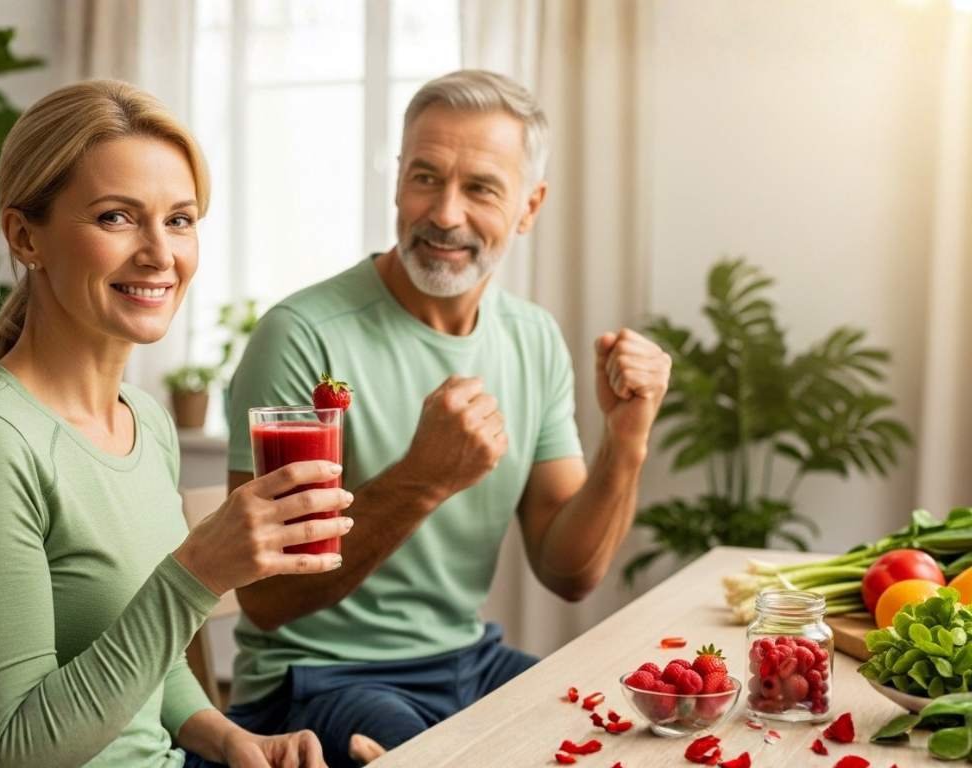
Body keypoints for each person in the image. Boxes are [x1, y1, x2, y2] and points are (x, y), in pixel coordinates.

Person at [0, 80, 354, 768]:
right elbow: (14, 750)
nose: (160, 254)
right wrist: (197, 572)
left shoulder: (145, 421)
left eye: (180, 219)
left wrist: (236, 741)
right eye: (116, 218)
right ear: (26, 236)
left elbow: (145, 663)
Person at [222, 70, 673, 767]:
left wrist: (628, 439)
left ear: (529, 206)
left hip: (468, 660)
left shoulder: (532, 337)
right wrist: (423, 479)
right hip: (316, 677)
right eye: (425, 178)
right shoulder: (304, 335)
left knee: (617, 745)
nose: (445, 213)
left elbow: (569, 572)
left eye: (481, 188)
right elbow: (266, 599)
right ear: (398, 181)